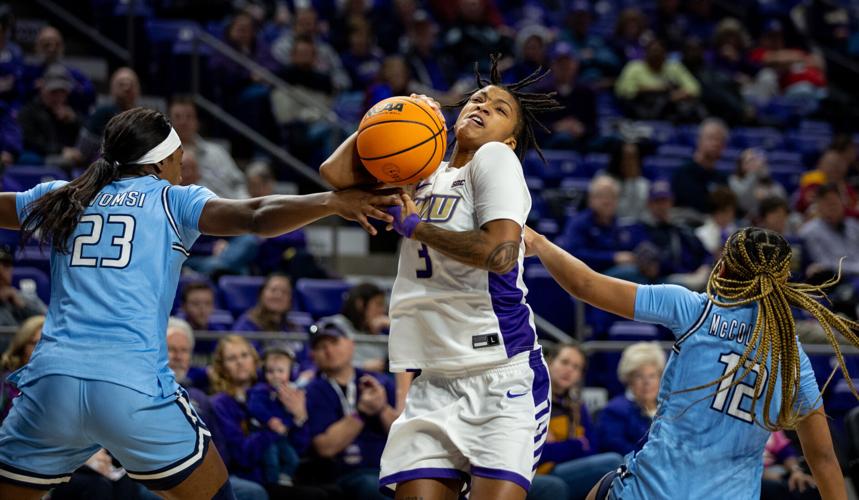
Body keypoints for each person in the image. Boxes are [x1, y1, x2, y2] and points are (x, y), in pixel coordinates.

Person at [0, 106, 398, 499]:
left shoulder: (62, 196)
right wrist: (330, 202)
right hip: (130, 385)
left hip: (52, 385)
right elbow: (256, 216)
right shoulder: (172, 201)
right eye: (179, 159)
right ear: (161, 162)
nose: (181, 167)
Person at [321, 54, 561, 499]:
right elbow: (334, 175)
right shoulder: (420, 171)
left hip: (501, 374)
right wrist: (393, 117)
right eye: (477, 99)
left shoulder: (493, 160)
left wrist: (416, 228)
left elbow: (501, 254)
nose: (482, 106)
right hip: (434, 380)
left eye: (498, 109)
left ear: (509, 141)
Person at [524, 225, 853, 499]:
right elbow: (823, 458)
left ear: (721, 267)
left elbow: (585, 284)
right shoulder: (792, 356)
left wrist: (538, 242)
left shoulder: (695, 310)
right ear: (781, 284)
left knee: (603, 487)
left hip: (654, 492)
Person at [210, 335, 337, 499]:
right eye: (231, 358)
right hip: (253, 478)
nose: (240, 362)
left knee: (334, 490)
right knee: (316, 496)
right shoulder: (221, 403)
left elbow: (299, 447)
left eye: (244, 355)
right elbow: (243, 456)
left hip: (283, 472)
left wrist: (300, 418)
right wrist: (274, 430)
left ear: (255, 361)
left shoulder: (272, 393)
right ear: (222, 367)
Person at [164, 320, 268, 500]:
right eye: (171, 349)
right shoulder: (146, 392)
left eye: (184, 350)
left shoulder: (199, 397)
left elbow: (219, 450)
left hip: (208, 474)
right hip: (165, 474)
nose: (178, 356)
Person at [304, 322, 396, 500]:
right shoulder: (313, 391)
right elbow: (325, 447)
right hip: (347, 474)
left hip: (389, 469)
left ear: (351, 344)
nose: (329, 351)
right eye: (322, 347)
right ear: (313, 356)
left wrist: (382, 408)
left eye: (334, 343)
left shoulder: (379, 382)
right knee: (373, 487)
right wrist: (361, 412)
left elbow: (404, 437)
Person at [536, 343, 623, 500]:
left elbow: (591, 449)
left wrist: (556, 447)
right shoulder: (532, 399)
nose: (569, 370)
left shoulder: (576, 405)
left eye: (576, 367)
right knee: (613, 462)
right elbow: (534, 453)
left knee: (616, 467)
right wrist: (574, 445)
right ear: (549, 362)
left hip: (563, 470)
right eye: (564, 362)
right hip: (535, 472)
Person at [558, 175, 646, 273]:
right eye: (602, 196)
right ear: (591, 199)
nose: (607, 201)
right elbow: (573, 254)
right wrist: (613, 258)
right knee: (630, 272)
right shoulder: (578, 223)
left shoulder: (621, 225)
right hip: (587, 275)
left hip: (613, 275)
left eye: (612, 196)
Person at [247, 346, 308, 486]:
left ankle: (284, 478)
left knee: (293, 459)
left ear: (290, 373)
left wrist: (290, 422)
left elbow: (291, 417)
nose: (275, 375)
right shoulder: (260, 390)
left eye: (280, 371)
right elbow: (254, 407)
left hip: (281, 436)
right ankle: (272, 485)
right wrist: (269, 420)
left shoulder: (290, 392)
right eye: (270, 371)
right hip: (264, 434)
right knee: (271, 460)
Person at [168, 97, 248, 199]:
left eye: (189, 117)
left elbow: (238, 183)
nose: (184, 122)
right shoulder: (165, 159)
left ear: (197, 122)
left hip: (232, 206)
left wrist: (243, 205)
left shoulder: (217, 152)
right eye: (178, 117)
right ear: (169, 123)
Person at [595, 343, 665, 456]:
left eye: (652, 376)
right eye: (639, 376)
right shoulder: (615, 411)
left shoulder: (669, 409)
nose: (647, 382)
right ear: (629, 379)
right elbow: (618, 449)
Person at [16, 63, 83, 168]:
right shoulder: (29, 112)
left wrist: (74, 121)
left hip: (67, 156)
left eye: (63, 92)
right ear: (43, 89)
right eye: (54, 92)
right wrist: (61, 150)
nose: (58, 97)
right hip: (41, 158)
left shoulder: (72, 111)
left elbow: (85, 137)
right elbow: (32, 142)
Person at [321, 283, 390, 373]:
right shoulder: (334, 326)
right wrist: (362, 366)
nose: (383, 310)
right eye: (378, 304)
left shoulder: (382, 334)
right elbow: (326, 361)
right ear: (360, 304)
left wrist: (393, 325)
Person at [76, 67, 140, 162]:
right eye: (121, 84)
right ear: (112, 89)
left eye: (131, 84)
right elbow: (83, 150)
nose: (127, 88)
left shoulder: (143, 117)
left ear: (138, 89)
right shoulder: (102, 113)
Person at [670, 118, 729, 215]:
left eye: (720, 140)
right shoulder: (683, 174)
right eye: (711, 138)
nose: (716, 143)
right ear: (699, 140)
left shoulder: (722, 179)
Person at [0, 315, 43, 422]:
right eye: (35, 344)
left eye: (45, 344)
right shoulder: (5, 381)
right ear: (22, 345)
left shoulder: (58, 380)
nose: (41, 350)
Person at [761, 430, 818, 500]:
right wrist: (761, 474)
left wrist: (796, 471)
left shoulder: (768, 425)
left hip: (778, 470)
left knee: (807, 485)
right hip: (757, 475)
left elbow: (785, 451)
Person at [0, 244, 46, 327]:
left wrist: (22, 306)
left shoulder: (25, 299)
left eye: (6, 265)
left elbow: (49, 324)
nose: (1, 270)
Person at [603, 142, 650, 221]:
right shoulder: (605, 184)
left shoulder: (644, 185)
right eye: (628, 158)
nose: (633, 163)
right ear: (618, 160)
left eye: (636, 157)